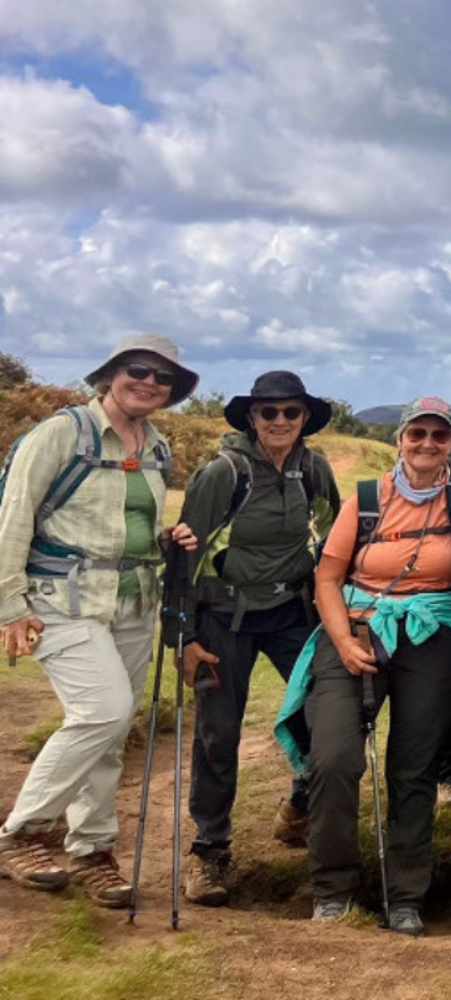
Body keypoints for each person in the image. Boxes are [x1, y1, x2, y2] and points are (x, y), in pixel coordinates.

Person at [0, 334, 200, 905]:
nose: (150, 383)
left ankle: (91, 850)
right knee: (102, 711)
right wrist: (9, 607)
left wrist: (165, 537)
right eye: (139, 370)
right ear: (110, 374)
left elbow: (126, 523)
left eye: (163, 378)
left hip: (133, 599)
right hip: (64, 600)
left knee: (111, 732)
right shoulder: (62, 433)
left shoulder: (156, 445)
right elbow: (13, 516)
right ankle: (23, 832)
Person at [273, 398, 451, 936]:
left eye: (440, 436)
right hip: (359, 629)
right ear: (400, 440)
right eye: (418, 434)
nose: (428, 445)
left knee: (413, 767)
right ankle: (333, 889)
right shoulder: (366, 499)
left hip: (432, 633)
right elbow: (328, 577)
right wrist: (342, 642)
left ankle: (407, 895)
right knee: (336, 758)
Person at [167, 370, 341, 906]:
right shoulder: (222, 472)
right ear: (251, 418)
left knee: (326, 712)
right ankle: (208, 852)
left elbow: (337, 533)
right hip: (224, 615)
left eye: (291, 412)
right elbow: (185, 554)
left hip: (292, 610)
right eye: (269, 413)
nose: (281, 421)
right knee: (219, 733)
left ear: (305, 418)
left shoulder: (314, 468)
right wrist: (183, 636)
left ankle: (299, 809)